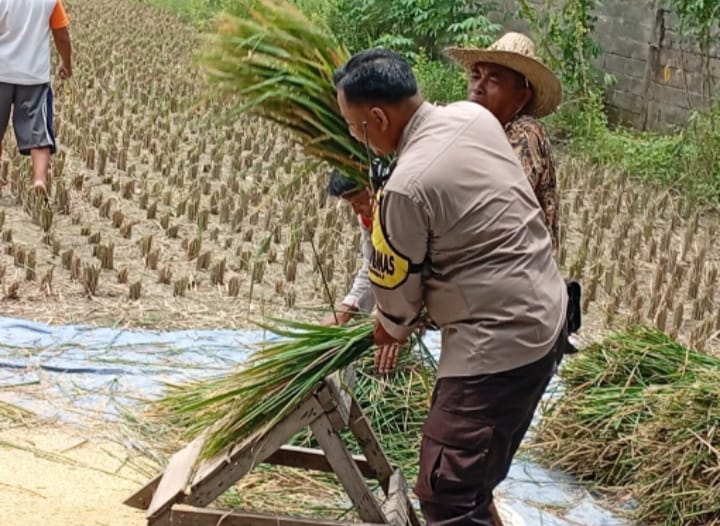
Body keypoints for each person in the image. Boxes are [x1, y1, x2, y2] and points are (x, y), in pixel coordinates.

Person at [333, 48, 568, 526]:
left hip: (501, 341)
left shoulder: (406, 185)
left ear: (377, 117)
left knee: (448, 492)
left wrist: (389, 325)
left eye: (357, 128)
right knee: (471, 485)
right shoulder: (470, 119)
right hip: (544, 314)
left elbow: (396, 302)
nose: (359, 138)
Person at [446, 32, 561, 247]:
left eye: (494, 80)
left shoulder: (526, 133)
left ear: (521, 97)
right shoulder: (477, 131)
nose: (478, 87)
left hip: (519, 267)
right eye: (475, 76)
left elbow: (497, 206)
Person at [320, 168, 402, 374]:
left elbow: (417, 273)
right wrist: (348, 308)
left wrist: (396, 324)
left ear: (372, 189)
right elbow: (374, 266)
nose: (357, 210)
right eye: (351, 205)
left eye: (358, 202)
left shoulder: (401, 211)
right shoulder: (369, 218)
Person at [0, 0, 73, 197]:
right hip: (33, 75)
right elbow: (62, 34)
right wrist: (66, 62)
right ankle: (39, 180)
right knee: (38, 130)